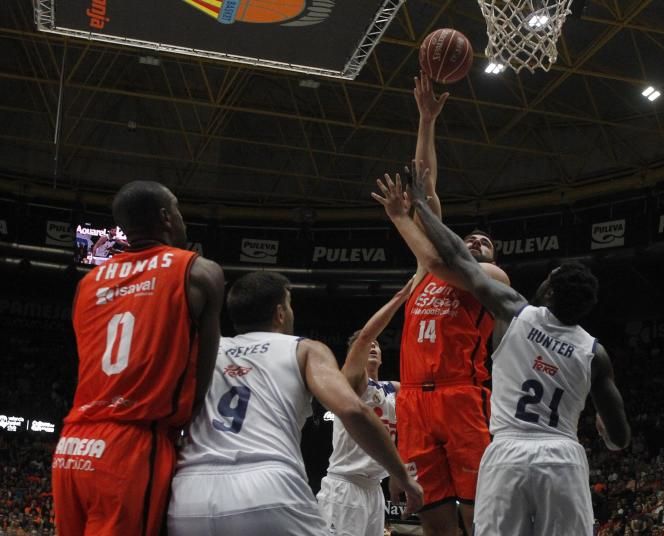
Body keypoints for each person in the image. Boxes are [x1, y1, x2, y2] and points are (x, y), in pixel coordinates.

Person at [373, 165, 630, 535]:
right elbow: (619, 439)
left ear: (550, 291)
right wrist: (605, 429)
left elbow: (454, 256)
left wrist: (420, 208)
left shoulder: (515, 312)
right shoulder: (595, 353)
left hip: (507, 449)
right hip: (562, 456)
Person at [167, 271, 422, 534]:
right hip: (268, 486)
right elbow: (352, 410)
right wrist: (402, 476)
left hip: (189, 490)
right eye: (289, 305)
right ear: (280, 313)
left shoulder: (207, 352)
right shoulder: (303, 348)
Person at [51, 181, 225, 536]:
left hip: (72, 444)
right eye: (177, 209)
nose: (182, 219)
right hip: (133, 443)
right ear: (165, 217)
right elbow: (201, 378)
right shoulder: (200, 272)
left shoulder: (88, 282)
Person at [384, 73, 511, 536]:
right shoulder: (425, 269)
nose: (476, 242)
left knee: (480, 514)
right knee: (434, 519)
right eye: (470, 238)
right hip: (413, 398)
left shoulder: (489, 279)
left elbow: (438, 247)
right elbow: (427, 190)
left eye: (484, 242)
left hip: (462, 396)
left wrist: (406, 219)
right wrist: (425, 120)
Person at [316, 279, 413, 535]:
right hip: (344, 488)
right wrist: (401, 298)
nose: (371, 345)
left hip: (375, 490)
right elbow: (366, 336)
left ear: (381, 355)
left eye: (377, 345)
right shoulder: (350, 383)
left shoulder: (395, 389)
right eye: (364, 343)